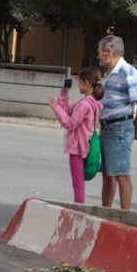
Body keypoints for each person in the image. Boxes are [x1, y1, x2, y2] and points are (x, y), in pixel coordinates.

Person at [96, 34, 137, 209]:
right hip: (107, 127)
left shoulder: (127, 71)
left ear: (108, 52)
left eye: (99, 52)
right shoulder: (110, 73)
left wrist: (136, 127)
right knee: (108, 174)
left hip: (118, 128)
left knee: (121, 174)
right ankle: (106, 212)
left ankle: (125, 216)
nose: (98, 56)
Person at [49, 68, 103, 203]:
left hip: (78, 148)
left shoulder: (84, 104)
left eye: (79, 82)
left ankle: (79, 213)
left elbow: (70, 124)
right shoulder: (91, 102)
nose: (78, 85)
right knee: (78, 184)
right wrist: (64, 92)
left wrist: (55, 108)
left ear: (86, 83)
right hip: (85, 146)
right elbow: (67, 110)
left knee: (78, 185)